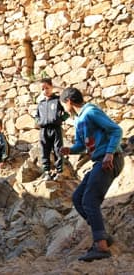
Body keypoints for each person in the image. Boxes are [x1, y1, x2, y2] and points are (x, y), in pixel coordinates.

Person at [59, 87, 124, 262]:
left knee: (89, 200)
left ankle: (101, 246)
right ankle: (102, 235)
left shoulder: (91, 112)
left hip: (109, 159)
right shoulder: (79, 120)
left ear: (69, 102)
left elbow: (116, 130)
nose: (64, 109)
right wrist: (70, 150)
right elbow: (82, 145)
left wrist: (110, 153)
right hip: (99, 161)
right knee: (78, 198)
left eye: (63, 105)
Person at [35, 78, 69, 181]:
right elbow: (37, 116)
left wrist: (61, 119)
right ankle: (47, 172)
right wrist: (39, 122)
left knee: (58, 150)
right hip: (44, 130)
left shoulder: (58, 100)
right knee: (44, 150)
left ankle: (59, 172)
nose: (45, 90)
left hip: (55, 129)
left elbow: (67, 111)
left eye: (47, 88)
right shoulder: (40, 104)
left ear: (52, 87)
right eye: (43, 88)